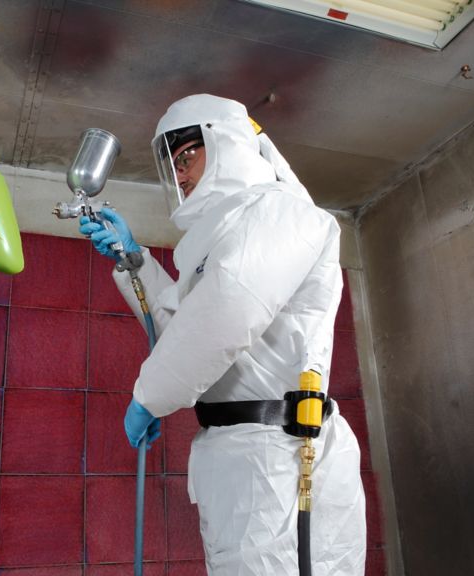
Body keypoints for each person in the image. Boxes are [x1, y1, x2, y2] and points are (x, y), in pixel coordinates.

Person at [80, 94, 366, 576]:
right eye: (173, 167)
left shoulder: (281, 213)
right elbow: (187, 331)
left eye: (188, 156)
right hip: (248, 463)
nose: (181, 176)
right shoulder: (229, 238)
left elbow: (227, 314)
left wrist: (150, 396)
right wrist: (136, 262)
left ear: (229, 144)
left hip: (280, 459)